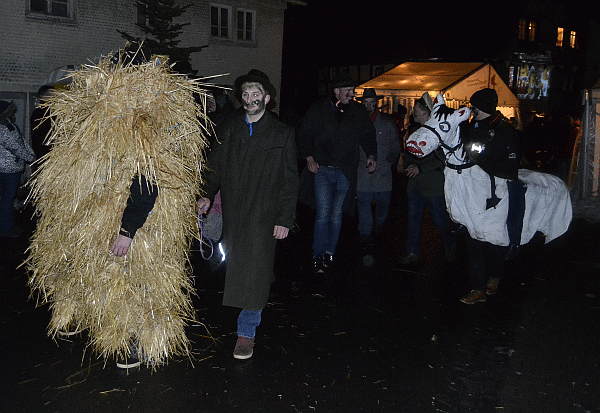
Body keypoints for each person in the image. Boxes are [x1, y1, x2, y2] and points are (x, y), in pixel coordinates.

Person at [27, 44, 210, 368]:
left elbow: (147, 181)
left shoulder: (143, 121)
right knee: (105, 275)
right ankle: (97, 322)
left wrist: (128, 229)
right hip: (105, 215)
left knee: (141, 280)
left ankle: (142, 340)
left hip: (142, 223)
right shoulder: (102, 117)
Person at [197, 69, 298, 359]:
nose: (250, 99)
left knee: (253, 272)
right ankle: (262, 284)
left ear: (267, 98)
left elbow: (290, 181)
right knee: (245, 266)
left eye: (256, 94)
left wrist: (284, 219)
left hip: (264, 215)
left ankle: (246, 334)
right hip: (235, 213)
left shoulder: (282, 133)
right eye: (245, 95)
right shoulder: (230, 130)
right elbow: (214, 165)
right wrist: (205, 192)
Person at [297, 72, 377, 274]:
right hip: (323, 169)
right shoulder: (319, 109)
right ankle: (318, 254)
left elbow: (368, 135)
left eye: (353, 91)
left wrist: (371, 155)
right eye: (348, 91)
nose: (352, 94)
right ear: (337, 92)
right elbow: (304, 133)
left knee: (336, 215)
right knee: (323, 214)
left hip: (345, 170)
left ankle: (330, 252)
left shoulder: (358, 112)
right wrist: (309, 158)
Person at [460, 88, 525, 304]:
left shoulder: (505, 131)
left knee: (493, 241)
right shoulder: (471, 126)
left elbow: (510, 166)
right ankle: (478, 289)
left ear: (485, 107)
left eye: (475, 106)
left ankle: (495, 276)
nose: (472, 109)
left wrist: (479, 164)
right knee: (474, 241)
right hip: (474, 194)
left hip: (497, 195)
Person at [394, 92, 455, 268]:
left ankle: (450, 244)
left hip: (433, 184)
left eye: (416, 110)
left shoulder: (438, 131)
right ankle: (412, 252)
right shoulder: (414, 130)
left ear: (425, 112)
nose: (413, 112)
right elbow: (409, 154)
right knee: (413, 219)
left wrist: (420, 168)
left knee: (439, 219)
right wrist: (408, 165)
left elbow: (442, 158)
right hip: (415, 183)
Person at [355, 88, 400, 243]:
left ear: (376, 103)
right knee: (363, 203)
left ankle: (379, 223)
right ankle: (365, 232)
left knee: (383, 203)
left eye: (371, 103)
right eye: (366, 103)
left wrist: (390, 160)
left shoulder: (387, 122)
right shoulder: (357, 122)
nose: (369, 106)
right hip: (363, 170)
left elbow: (395, 144)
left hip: (383, 171)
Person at [0, 101, 36, 238]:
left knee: (7, 199)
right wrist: (30, 158)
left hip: (11, 167)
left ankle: (7, 225)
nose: (12, 113)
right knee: (7, 200)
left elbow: (21, 141)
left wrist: (30, 153)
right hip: (7, 169)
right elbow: (14, 147)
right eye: (9, 110)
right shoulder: (2, 128)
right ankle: (6, 228)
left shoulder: (8, 124)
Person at [30, 84, 54, 165]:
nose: (54, 95)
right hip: (45, 152)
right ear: (44, 95)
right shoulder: (41, 113)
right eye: (51, 93)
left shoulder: (48, 111)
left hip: (46, 151)